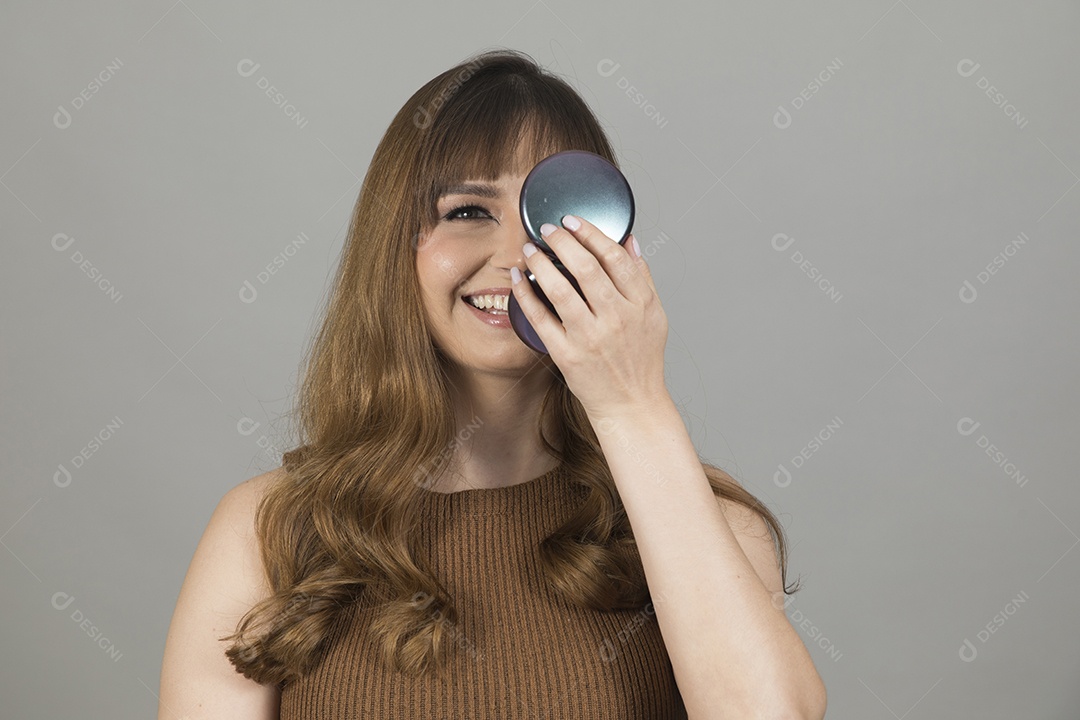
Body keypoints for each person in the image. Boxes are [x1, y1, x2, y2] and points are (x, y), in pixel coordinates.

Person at [157, 48, 827, 719]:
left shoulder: (707, 522)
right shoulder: (270, 532)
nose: (515, 257)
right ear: (396, 245)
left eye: (553, 214)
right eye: (468, 211)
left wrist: (633, 405)